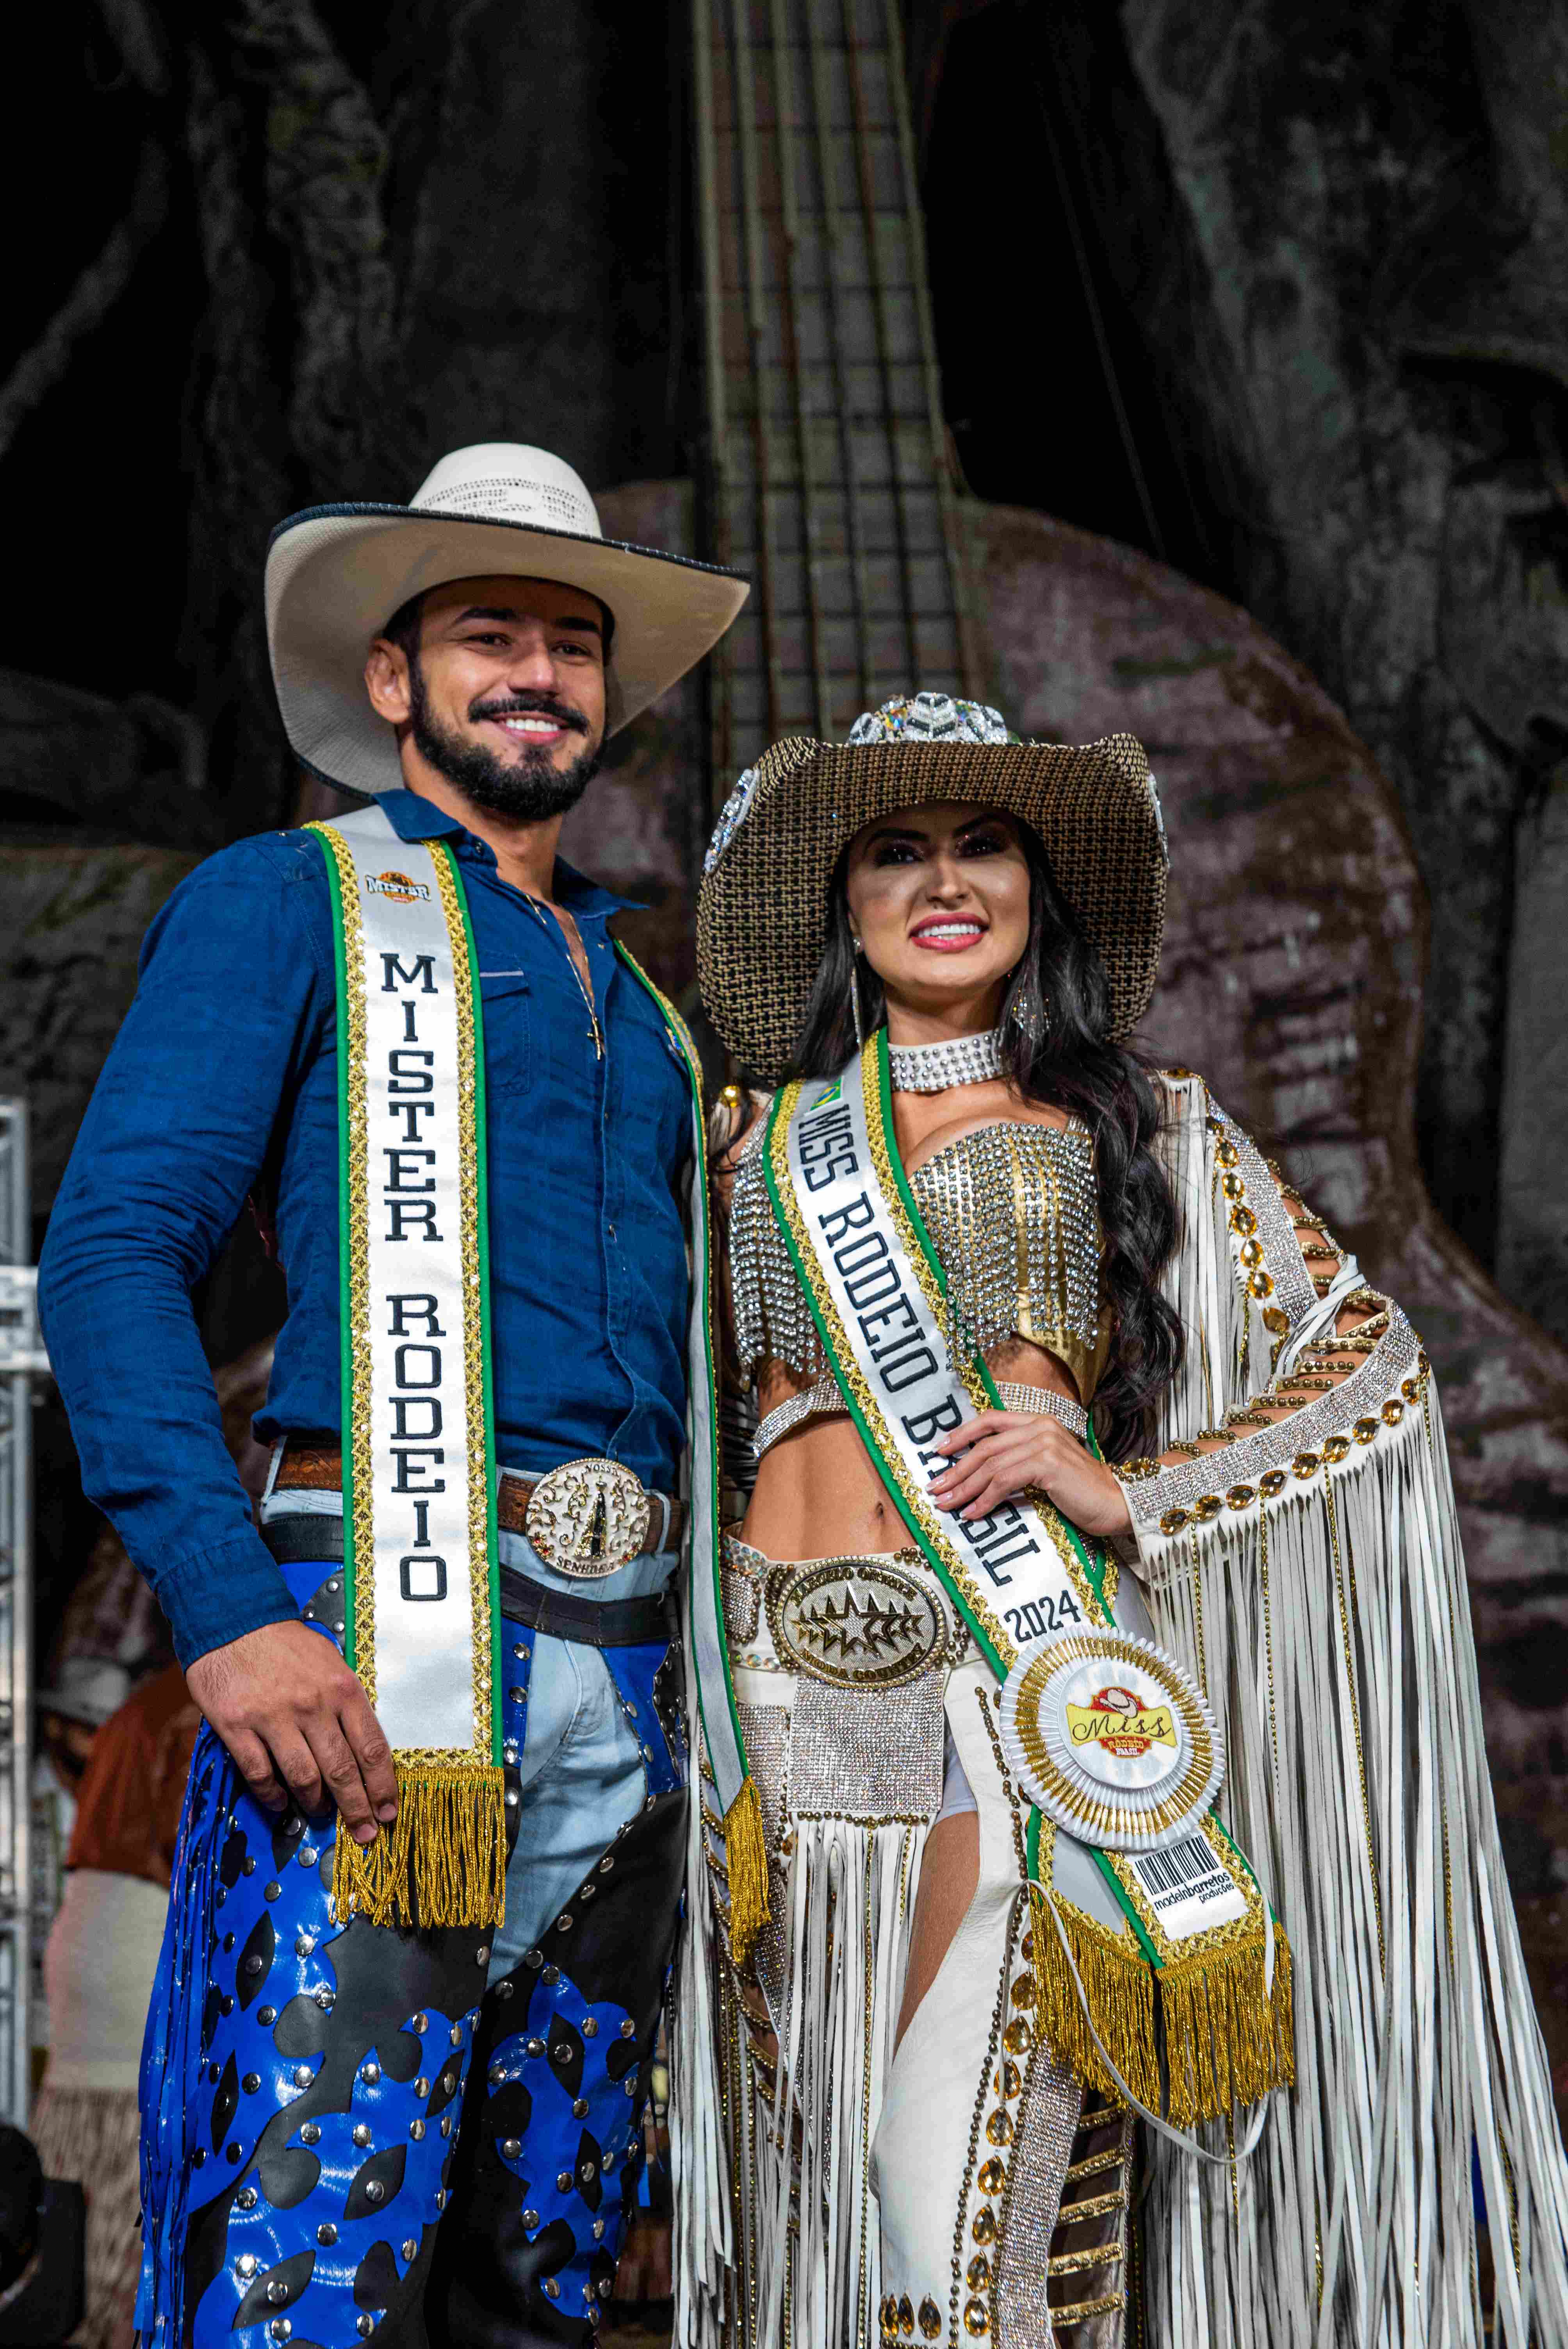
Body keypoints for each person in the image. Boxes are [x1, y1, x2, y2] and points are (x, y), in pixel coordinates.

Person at [674, 692, 1568, 2348]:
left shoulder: (1145, 1126)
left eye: (982, 845)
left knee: (946, 2211)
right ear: (840, 901)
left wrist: (1129, 1485)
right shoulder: (748, 1143)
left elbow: (1367, 1370)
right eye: (895, 851)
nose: (943, 880)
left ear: (1035, 891)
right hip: (770, 1700)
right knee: (798, 2217)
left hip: (1000, 1685)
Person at [37, 442, 748, 2347]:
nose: (536, 674)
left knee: (549, 2283)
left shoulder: (651, 997)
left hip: (633, 1699)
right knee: (304, 2263)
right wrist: (229, 1616)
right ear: (392, 679)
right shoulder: (289, 897)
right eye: (487, 633)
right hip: (367, 1656)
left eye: (570, 644)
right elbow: (112, 1259)